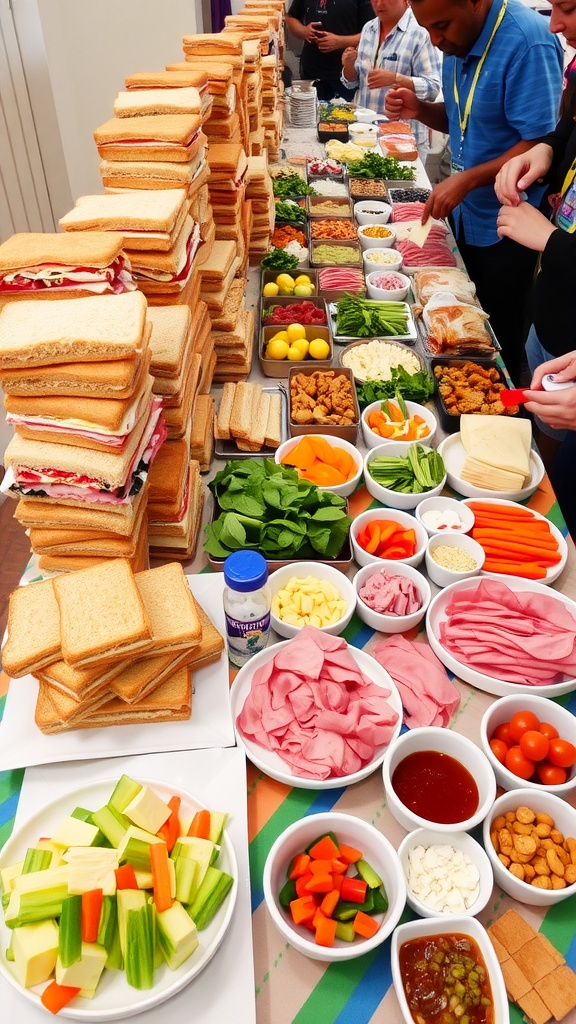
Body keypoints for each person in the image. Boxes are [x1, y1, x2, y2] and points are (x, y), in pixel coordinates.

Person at [384, 0, 563, 384]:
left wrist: (466, 180)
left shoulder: (528, 42)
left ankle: (500, 412)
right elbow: (461, 119)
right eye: (427, 28)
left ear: (475, 3)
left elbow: (539, 143)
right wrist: (420, 109)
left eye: (442, 25)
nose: (435, 40)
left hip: (509, 225)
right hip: (465, 218)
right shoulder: (456, 42)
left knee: (495, 339)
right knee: (457, 329)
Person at [494, 0, 576, 532]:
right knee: (547, 470)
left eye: (568, 8)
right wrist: (546, 151)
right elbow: (569, 133)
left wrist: (552, 241)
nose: (554, 24)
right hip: (555, 322)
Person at [340, 0, 442, 161]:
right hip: (364, 135)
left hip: (402, 141)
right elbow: (353, 82)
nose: (379, 4)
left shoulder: (420, 32)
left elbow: (433, 88)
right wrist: (349, 65)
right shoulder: (369, 28)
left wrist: (396, 79)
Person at [286, 0, 373, 101]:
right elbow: (291, 18)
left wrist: (340, 42)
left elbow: (372, 34)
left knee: (344, 115)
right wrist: (304, 32)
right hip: (312, 74)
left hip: (347, 78)